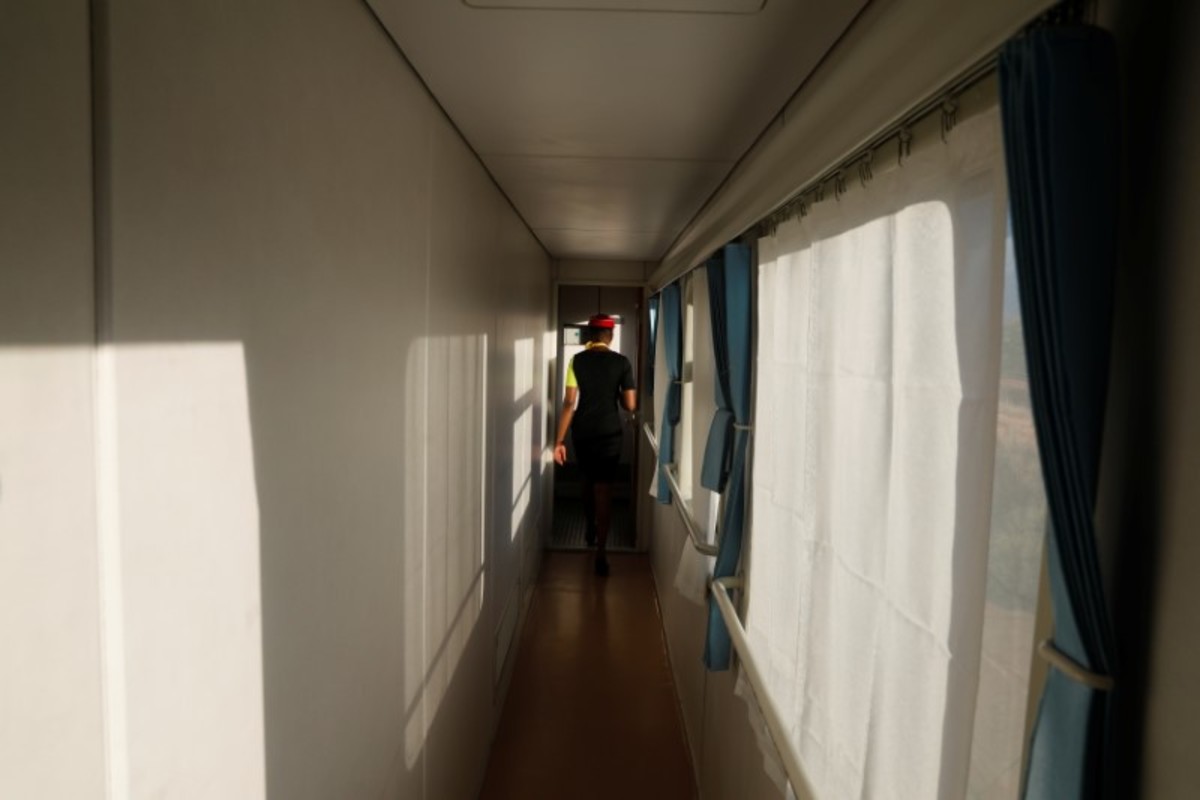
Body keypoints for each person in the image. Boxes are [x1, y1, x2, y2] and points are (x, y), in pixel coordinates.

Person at [554, 313, 637, 576]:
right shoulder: (622, 363)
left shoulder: (576, 360)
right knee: (604, 489)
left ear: (590, 335)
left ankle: (589, 525)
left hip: (583, 432)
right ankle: (601, 551)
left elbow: (569, 402)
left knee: (587, 481)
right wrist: (618, 396)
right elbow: (630, 404)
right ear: (610, 336)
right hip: (609, 433)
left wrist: (559, 441)